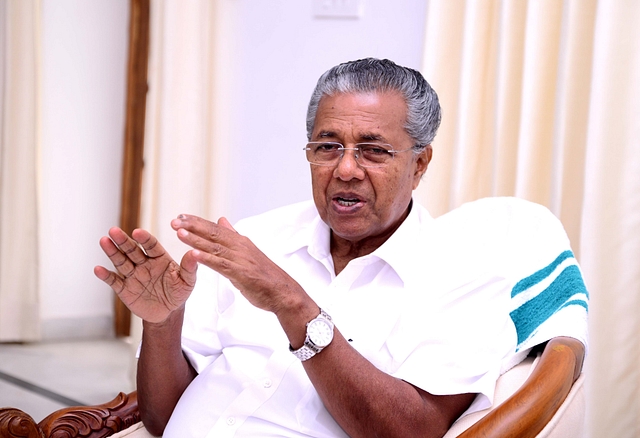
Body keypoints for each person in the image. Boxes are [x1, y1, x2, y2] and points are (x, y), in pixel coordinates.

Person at [95, 58, 587, 438]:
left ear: (420, 164)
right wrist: (162, 324)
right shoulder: (258, 238)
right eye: (327, 146)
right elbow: (162, 419)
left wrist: (294, 308)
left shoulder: (466, 274)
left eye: (373, 150)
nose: (345, 169)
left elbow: (410, 430)